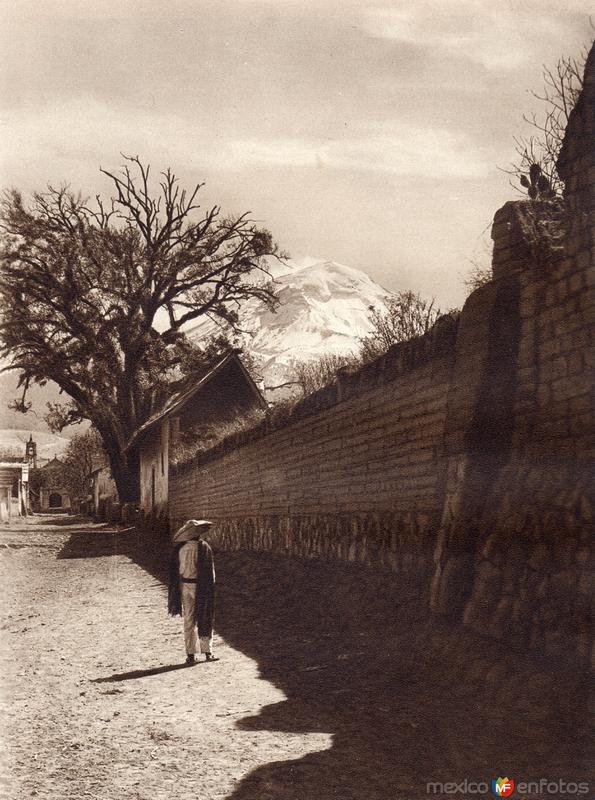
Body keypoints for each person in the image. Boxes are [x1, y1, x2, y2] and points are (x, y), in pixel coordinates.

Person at [168, 519, 219, 665]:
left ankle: (190, 654)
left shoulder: (180, 549)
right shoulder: (204, 548)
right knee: (204, 615)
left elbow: (175, 570)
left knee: (189, 619)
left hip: (184, 586)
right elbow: (211, 573)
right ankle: (207, 652)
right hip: (200, 587)